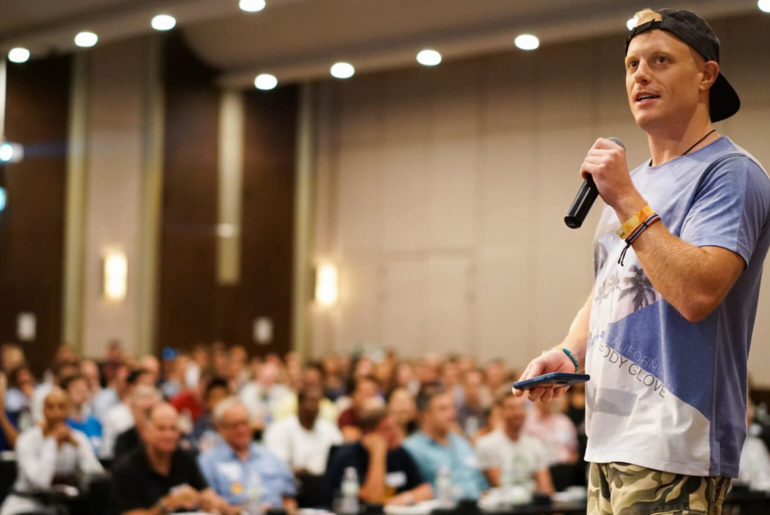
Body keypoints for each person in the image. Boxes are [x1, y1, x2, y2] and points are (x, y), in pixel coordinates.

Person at [513, 8, 770, 514]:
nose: (640, 75)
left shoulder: (729, 173)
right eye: (631, 65)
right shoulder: (634, 184)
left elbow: (697, 293)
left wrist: (627, 200)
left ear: (706, 76)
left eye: (660, 60)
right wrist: (569, 351)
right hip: (609, 434)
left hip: (677, 440)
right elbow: (616, 283)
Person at [111, 402, 233, 514]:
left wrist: (213, 504)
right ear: (146, 432)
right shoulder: (127, 468)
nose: (168, 435)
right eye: (161, 428)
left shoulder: (185, 458)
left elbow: (207, 494)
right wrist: (166, 505)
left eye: (173, 429)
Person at [1, 388, 104, 515]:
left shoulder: (77, 438)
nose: (56, 413)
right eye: (50, 407)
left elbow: (97, 474)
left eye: (61, 407)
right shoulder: (27, 440)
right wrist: (52, 442)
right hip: (26, 506)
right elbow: (41, 482)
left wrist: (78, 447)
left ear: (68, 411)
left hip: (63, 507)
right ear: (43, 410)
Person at [198, 397, 297, 512]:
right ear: (220, 428)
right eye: (235, 425)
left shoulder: (271, 456)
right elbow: (208, 504)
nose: (242, 430)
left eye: (245, 423)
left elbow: (289, 498)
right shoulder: (208, 462)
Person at [325, 407, 431, 507]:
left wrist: (406, 498)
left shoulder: (399, 452)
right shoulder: (348, 456)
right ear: (369, 434)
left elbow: (426, 490)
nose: (395, 433)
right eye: (388, 429)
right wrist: (378, 453)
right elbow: (372, 499)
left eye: (396, 427)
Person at [403, 388, 488, 501]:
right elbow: (416, 492)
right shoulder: (411, 448)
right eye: (443, 409)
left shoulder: (461, 442)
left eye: (452, 407)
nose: (451, 414)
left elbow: (481, 485)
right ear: (425, 415)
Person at [476, 392, 554, 495]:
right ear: (500, 411)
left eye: (521, 407)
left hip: (534, 506)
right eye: (512, 408)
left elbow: (546, 488)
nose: (518, 413)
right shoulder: (487, 444)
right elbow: (500, 487)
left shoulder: (535, 444)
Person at [265, 386, 343, 476]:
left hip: (325, 482)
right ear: (299, 403)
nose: (315, 407)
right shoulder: (279, 429)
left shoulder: (329, 429)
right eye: (311, 401)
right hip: (292, 484)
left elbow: (340, 456)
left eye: (317, 402)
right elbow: (276, 467)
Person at [523, 395, 578, 465]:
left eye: (549, 396)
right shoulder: (526, 421)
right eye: (541, 396)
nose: (545, 400)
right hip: (536, 466)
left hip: (563, 467)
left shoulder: (564, 422)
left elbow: (574, 452)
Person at [113, 385, 163, 462]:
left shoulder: (170, 436)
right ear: (132, 411)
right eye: (146, 411)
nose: (150, 416)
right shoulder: (124, 440)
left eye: (152, 410)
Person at [62, 374, 103, 453]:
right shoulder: (62, 424)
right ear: (66, 392)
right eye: (77, 388)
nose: (82, 390)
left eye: (85, 387)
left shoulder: (95, 423)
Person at [191, 376, 230, 452]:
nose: (220, 401)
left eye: (223, 396)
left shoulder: (238, 422)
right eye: (215, 397)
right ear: (207, 402)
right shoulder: (201, 424)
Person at [338, 375, 382, 441]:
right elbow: (349, 437)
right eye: (365, 393)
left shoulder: (380, 416)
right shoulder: (347, 415)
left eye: (371, 393)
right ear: (355, 395)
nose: (368, 398)